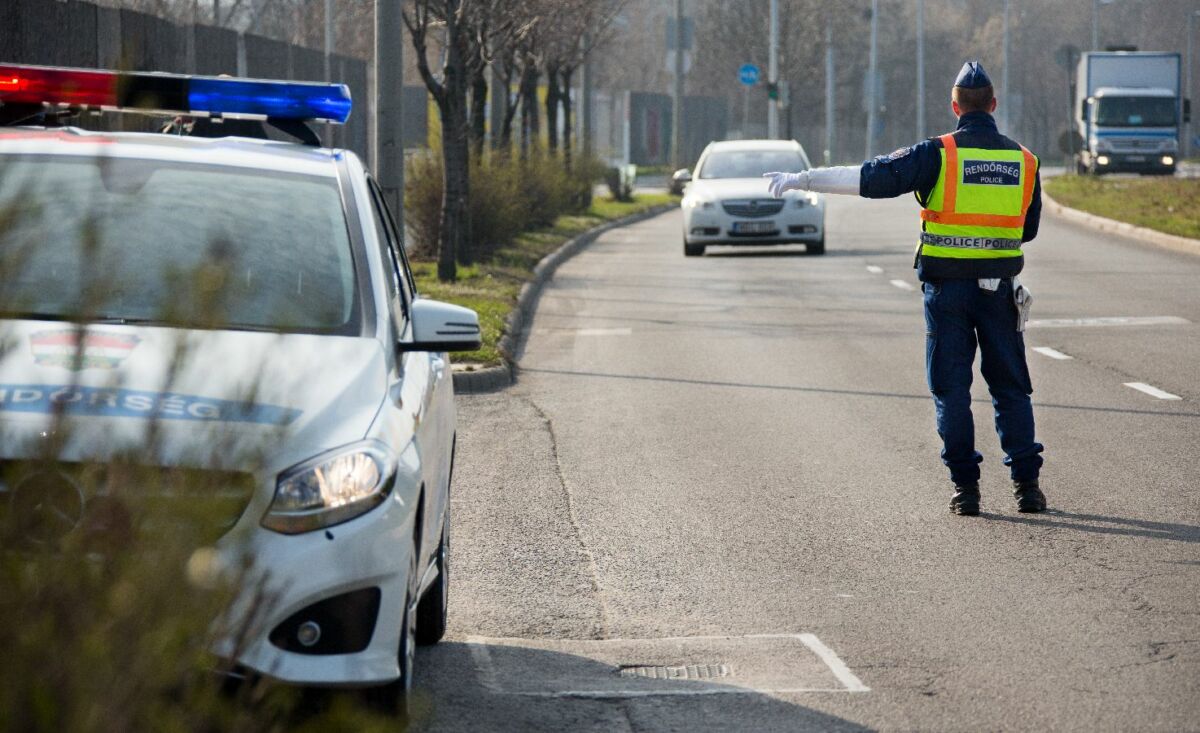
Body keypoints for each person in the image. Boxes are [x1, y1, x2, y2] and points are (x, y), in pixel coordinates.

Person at [764, 61, 1046, 516]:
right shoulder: (1025, 160)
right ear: (993, 105)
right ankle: (1027, 487)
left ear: (955, 106)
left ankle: (966, 491)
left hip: (947, 294)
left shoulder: (939, 153)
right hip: (1000, 294)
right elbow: (1027, 230)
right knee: (1011, 389)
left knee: (952, 391)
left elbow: (870, 178)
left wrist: (804, 179)